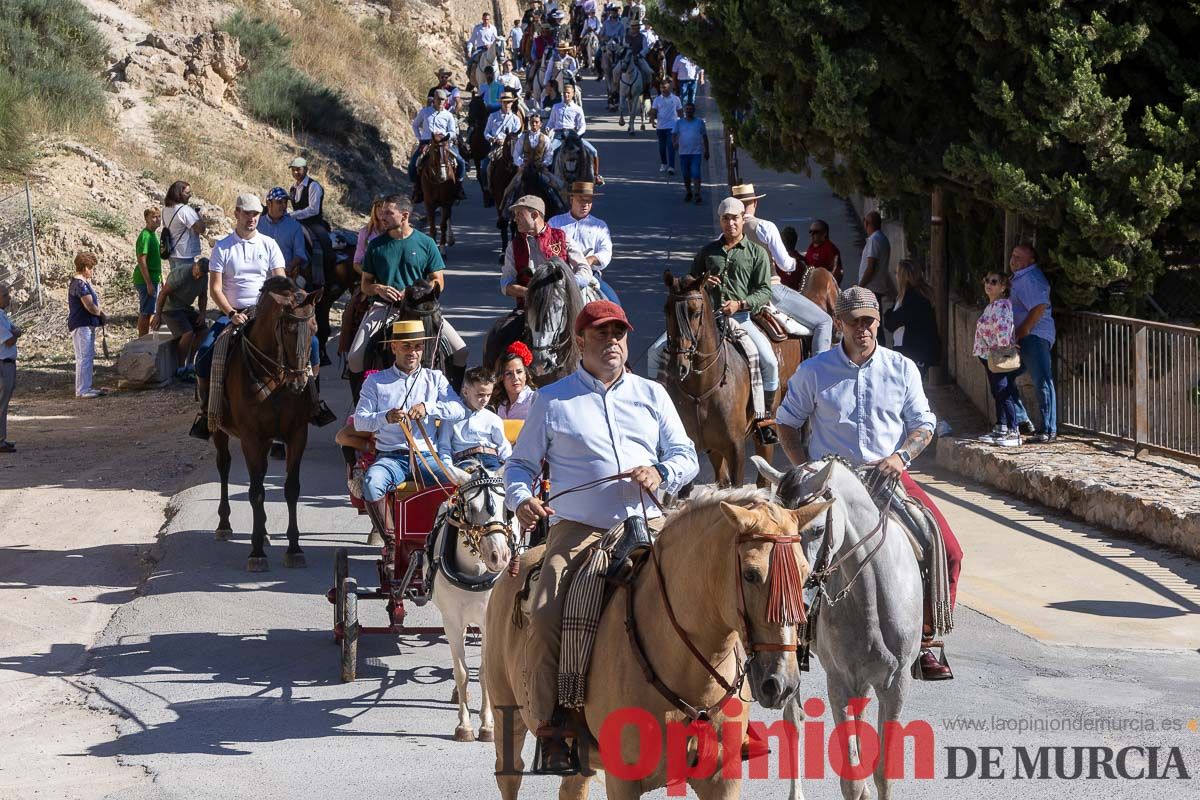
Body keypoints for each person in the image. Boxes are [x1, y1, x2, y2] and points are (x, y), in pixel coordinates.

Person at [504, 300, 699, 770]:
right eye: (602, 333)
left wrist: (661, 472)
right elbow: (521, 466)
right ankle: (556, 729)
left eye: (619, 332)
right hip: (579, 531)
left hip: (649, 523)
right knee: (547, 610)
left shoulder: (652, 394)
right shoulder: (553, 399)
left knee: (712, 588)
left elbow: (686, 454)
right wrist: (520, 499)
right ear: (580, 341)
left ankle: (726, 710)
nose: (612, 341)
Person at [776, 287, 961, 681]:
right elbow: (786, 424)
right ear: (839, 323)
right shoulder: (814, 371)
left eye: (869, 321)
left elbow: (923, 425)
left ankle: (925, 641)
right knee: (793, 550)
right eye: (855, 321)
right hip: (832, 483)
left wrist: (901, 457)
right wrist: (809, 470)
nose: (863, 329)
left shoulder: (901, 368)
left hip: (888, 475)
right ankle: (796, 638)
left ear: (878, 322)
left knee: (949, 551)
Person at [191, 194, 331, 438]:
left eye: (255, 214)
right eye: (246, 213)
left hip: (266, 311)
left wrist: (293, 300)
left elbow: (280, 281)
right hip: (233, 311)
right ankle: (207, 412)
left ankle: (313, 402)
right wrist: (231, 313)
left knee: (314, 344)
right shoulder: (223, 247)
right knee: (204, 353)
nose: (251, 218)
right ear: (236, 213)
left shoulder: (269, 244)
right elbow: (215, 288)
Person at [354, 319, 462, 576]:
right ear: (394, 347)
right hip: (392, 457)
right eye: (406, 346)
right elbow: (360, 420)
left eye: (417, 347)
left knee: (458, 485)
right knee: (371, 483)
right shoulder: (376, 382)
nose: (412, 352)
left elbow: (458, 410)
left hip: (426, 457)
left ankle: (449, 542)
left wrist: (429, 408)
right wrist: (385, 417)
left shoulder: (435, 379)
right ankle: (391, 543)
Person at [346, 195, 468, 387]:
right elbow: (365, 284)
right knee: (354, 358)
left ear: (404, 216)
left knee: (461, 351)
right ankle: (359, 408)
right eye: (382, 211)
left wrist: (416, 292)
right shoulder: (376, 246)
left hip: (422, 309)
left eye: (388, 212)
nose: (382, 216)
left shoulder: (426, 243)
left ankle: (455, 400)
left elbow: (438, 281)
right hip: (385, 308)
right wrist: (378, 288)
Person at [732, 183, 833, 354]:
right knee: (825, 322)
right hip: (771, 290)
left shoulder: (724, 235)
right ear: (755, 203)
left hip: (738, 294)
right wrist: (795, 263)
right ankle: (819, 371)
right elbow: (785, 264)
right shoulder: (764, 227)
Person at [501, 194, 591, 306]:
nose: (515, 219)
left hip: (564, 305)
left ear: (534, 215)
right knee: (504, 324)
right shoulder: (514, 246)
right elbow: (506, 283)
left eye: (519, 214)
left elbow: (584, 269)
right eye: (515, 215)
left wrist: (568, 285)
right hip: (529, 308)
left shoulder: (562, 238)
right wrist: (529, 293)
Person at [1008, 243, 1058, 443]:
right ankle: (1022, 420)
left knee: (1042, 381)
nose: (1014, 260)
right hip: (1024, 337)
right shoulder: (1020, 278)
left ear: (1031, 260)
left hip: (1034, 336)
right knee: (1004, 377)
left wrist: (1024, 330)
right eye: (1013, 255)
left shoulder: (1030, 278)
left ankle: (1047, 429)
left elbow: (1039, 306)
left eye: (1019, 257)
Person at [972, 271, 1022, 448]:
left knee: (1002, 390)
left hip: (997, 355)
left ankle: (1013, 430)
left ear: (1003, 287)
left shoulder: (1001, 305)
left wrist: (1001, 350)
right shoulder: (992, 305)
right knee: (997, 390)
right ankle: (1001, 426)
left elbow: (1003, 329)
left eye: (994, 282)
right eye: (986, 280)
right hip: (988, 355)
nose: (988, 284)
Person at [548, 181, 618, 303]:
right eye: (581, 200)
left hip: (590, 274)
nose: (585, 204)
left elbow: (606, 251)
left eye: (588, 201)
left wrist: (591, 259)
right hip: (559, 274)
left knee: (614, 303)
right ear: (571, 200)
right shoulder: (555, 223)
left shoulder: (600, 226)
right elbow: (545, 246)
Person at [437, 367, 512, 472]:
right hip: (465, 461)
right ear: (465, 392)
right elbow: (444, 446)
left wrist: (510, 466)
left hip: (491, 459)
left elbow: (503, 446)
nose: (485, 400)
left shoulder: (493, 419)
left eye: (488, 395)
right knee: (472, 485)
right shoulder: (451, 417)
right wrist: (449, 468)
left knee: (498, 484)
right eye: (480, 395)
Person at [151, 256, 209, 379]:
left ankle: (190, 363)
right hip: (170, 308)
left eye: (201, 275)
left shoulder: (204, 277)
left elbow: (203, 296)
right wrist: (158, 314)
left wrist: (202, 313)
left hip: (185, 307)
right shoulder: (182, 274)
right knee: (188, 333)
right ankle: (180, 367)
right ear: (195, 266)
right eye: (197, 274)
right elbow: (163, 293)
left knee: (203, 330)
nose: (198, 277)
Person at [882, 259, 941, 380]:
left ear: (903, 276)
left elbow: (891, 323)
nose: (896, 276)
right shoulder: (906, 296)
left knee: (909, 389)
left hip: (914, 352)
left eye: (897, 273)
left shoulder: (914, 298)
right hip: (909, 350)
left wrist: (889, 314)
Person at [545, 83, 603, 185]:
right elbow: (551, 122)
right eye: (564, 93)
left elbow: (582, 125)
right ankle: (548, 176)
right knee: (549, 152)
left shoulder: (577, 108)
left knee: (593, 151)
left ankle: (596, 176)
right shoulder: (556, 107)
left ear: (573, 94)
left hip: (573, 135)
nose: (566, 95)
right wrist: (548, 127)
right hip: (559, 136)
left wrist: (578, 135)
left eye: (568, 93)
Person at [417, 89, 468, 202]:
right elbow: (415, 125)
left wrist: (443, 136)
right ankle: (418, 188)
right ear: (433, 100)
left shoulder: (448, 115)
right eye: (438, 99)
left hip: (444, 143)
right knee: (415, 164)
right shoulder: (425, 112)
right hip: (427, 142)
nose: (440, 102)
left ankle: (458, 186)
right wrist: (420, 138)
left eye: (443, 100)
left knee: (460, 162)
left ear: (445, 101)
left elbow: (453, 131)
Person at [67, 252, 106, 399]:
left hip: (86, 324)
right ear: (84, 267)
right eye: (91, 267)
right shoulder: (79, 284)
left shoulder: (81, 283)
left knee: (87, 356)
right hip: (82, 324)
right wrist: (100, 314)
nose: (92, 271)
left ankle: (86, 387)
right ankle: (82, 389)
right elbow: (89, 305)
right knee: (84, 356)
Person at [258, 187, 309, 287]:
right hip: (259, 274)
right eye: (279, 202)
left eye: (285, 202)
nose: (284, 205)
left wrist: (290, 266)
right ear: (269, 204)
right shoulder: (258, 224)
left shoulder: (295, 226)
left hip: (285, 275)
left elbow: (299, 253)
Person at [162, 181, 206, 276]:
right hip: (184, 254)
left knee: (176, 284)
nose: (189, 195)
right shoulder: (185, 210)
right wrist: (197, 215)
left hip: (172, 253)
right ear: (178, 193)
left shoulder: (165, 209)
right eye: (187, 193)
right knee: (185, 286)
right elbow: (201, 229)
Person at [134, 207, 163, 337]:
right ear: (147, 219)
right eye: (154, 217)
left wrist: (161, 278)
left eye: (159, 216)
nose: (157, 219)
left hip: (154, 278)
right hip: (146, 279)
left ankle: (148, 337)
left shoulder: (154, 235)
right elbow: (142, 260)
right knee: (145, 311)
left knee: (151, 310)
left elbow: (156, 260)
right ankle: (142, 339)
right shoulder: (145, 236)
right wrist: (149, 283)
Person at [672, 102, 708, 204]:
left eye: (690, 109)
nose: (689, 111)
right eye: (687, 109)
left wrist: (707, 150)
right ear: (684, 111)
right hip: (683, 153)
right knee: (686, 174)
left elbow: (705, 137)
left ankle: (697, 193)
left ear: (694, 110)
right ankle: (689, 192)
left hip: (696, 153)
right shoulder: (679, 123)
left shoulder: (699, 122)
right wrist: (674, 143)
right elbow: (674, 134)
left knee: (696, 173)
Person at [0, 284, 21, 452]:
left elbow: (15, 330)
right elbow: (9, 339)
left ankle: (2, 437)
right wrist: (15, 333)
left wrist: (15, 332)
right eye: (5, 295)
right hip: (2, 363)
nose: (9, 298)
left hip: (8, 363)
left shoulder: (2, 315)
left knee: (4, 402)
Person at [857, 209, 894, 306]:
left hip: (871, 288)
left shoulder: (874, 240)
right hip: (876, 287)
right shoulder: (882, 238)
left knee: (871, 317)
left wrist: (860, 286)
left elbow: (871, 267)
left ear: (867, 223)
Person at [493, 341, 536, 420]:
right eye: (509, 373)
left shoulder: (534, 401)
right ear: (502, 378)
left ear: (526, 375)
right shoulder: (502, 405)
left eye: (519, 372)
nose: (515, 378)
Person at [650, 80, 681, 175]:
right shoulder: (657, 99)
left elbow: (680, 111)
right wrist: (652, 120)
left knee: (670, 146)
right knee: (662, 147)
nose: (663, 90)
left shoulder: (676, 99)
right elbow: (654, 111)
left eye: (665, 87)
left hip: (672, 126)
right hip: (661, 127)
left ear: (669, 88)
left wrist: (682, 124)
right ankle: (664, 163)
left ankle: (671, 167)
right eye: (661, 88)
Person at [803, 218, 843, 285]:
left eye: (815, 232)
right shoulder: (811, 246)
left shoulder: (830, 249)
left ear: (824, 233)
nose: (812, 234)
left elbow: (838, 272)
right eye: (810, 231)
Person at [466, 11, 498, 81]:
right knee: (471, 60)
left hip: (490, 49)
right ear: (482, 19)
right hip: (480, 49)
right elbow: (472, 40)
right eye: (484, 19)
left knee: (500, 60)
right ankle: (471, 78)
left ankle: (500, 77)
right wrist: (469, 50)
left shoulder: (493, 28)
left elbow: (495, 40)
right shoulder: (477, 28)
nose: (486, 21)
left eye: (487, 19)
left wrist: (490, 45)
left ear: (490, 20)